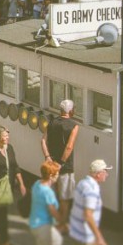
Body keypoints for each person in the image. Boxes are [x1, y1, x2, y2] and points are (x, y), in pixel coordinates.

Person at [41, 98, 79, 228]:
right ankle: (62, 224)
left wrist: (47, 157)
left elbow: (43, 141)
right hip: (65, 167)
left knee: (53, 195)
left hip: (50, 165)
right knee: (64, 198)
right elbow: (69, 146)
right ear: (71, 111)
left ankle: (51, 221)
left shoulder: (51, 122)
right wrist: (61, 163)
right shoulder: (74, 125)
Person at [29, 160, 64, 245]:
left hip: (35, 223)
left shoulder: (37, 184)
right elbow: (53, 211)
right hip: (42, 226)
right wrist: (62, 222)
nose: (57, 176)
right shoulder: (47, 192)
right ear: (50, 176)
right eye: (56, 174)